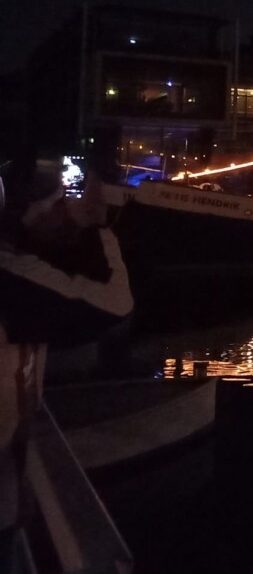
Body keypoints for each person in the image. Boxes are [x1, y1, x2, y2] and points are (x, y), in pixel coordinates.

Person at [0, 156, 133, 569]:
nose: (67, 211)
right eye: (59, 203)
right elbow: (114, 304)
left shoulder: (18, 267)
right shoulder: (14, 277)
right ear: (27, 212)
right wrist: (97, 226)